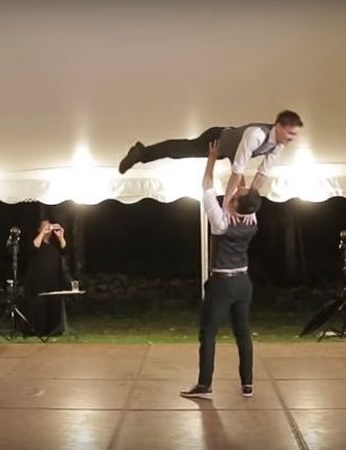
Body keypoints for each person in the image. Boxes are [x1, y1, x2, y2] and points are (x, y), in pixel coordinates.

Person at [180, 141, 262, 400]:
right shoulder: (252, 218)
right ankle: (247, 384)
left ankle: (204, 386)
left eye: (237, 193)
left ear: (235, 202)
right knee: (243, 332)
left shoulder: (221, 221)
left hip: (223, 284)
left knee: (208, 333)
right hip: (243, 283)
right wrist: (237, 162)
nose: (237, 190)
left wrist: (212, 158)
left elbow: (207, 185)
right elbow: (243, 191)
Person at [119, 110, 302, 215]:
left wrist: (251, 200)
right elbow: (237, 171)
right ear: (278, 126)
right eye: (290, 133)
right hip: (217, 138)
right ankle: (142, 152)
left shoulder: (278, 145)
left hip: (230, 150)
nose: (292, 138)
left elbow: (262, 174)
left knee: (182, 151)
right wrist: (226, 203)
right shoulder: (256, 135)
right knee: (181, 150)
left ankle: (142, 152)